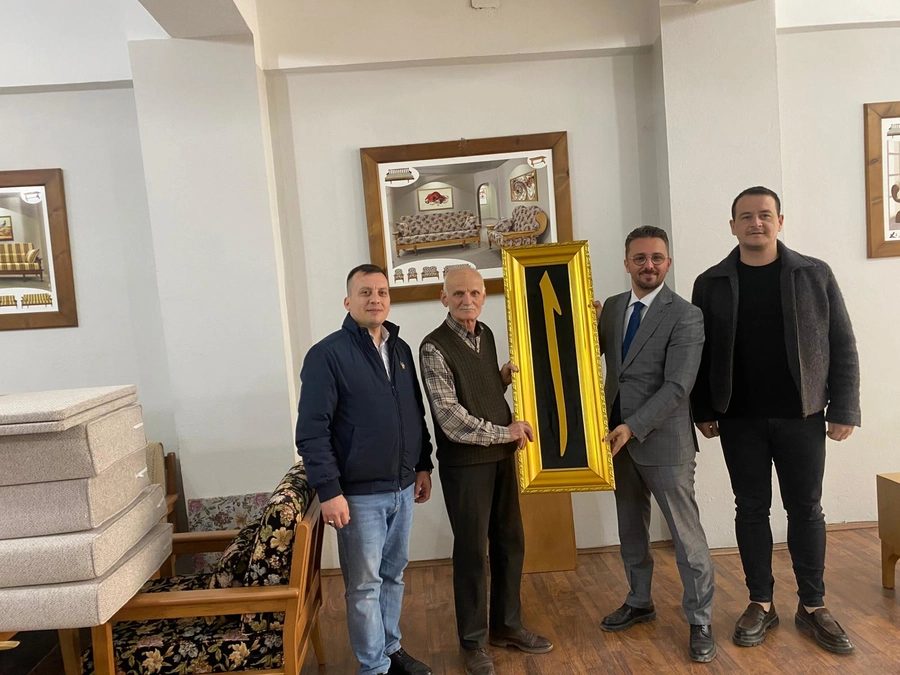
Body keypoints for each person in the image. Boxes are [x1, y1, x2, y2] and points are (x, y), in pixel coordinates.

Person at [691, 186, 861, 655]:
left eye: (765, 215)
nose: (756, 223)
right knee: (750, 509)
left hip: (802, 416)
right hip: (739, 418)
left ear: (780, 221)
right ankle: (760, 603)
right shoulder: (710, 282)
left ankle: (813, 605)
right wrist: (702, 408)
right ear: (733, 226)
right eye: (746, 216)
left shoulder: (814, 274)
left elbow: (842, 343)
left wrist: (844, 408)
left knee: (806, 509)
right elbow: (699, 352)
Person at [295, 264, 434, 675]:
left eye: (382, 292)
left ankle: (391, 650)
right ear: (348, 301)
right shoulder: (327, 355)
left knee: (393, 575)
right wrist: (329, 490)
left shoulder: (400, 349)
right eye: (365, 292)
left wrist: (423, 465)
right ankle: (373, 668)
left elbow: (414, 412)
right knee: (364, 586)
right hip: (358, 496)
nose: (375, 299)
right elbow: (312, 432)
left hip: (403, 487)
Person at [419, 267, 552, 675]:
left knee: (510, 541)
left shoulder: (487, 334)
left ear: (484, 296)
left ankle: (507, 626)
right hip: (466, 466)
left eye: (475, 293)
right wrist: (505, 431)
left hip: (501, 457)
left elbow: (478, 392)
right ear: (444, 298)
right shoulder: (433, 347)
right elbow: (451, 419)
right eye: (458, 293)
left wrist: (502, 379)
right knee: (473, 552)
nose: (467, 300)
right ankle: (473, 642)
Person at [595, 225, 716, 663]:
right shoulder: (611, 308)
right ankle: (639, 600)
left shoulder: (686, 315)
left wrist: (633, 426)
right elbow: (592, 358)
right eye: (640, 258)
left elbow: (678, 386)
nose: (649, 265)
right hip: (615, 442)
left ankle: (700, 620)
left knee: (686, 537)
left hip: (663, 442)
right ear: (626, 263)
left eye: (657, 258)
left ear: (668, 262)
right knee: (630, 529)